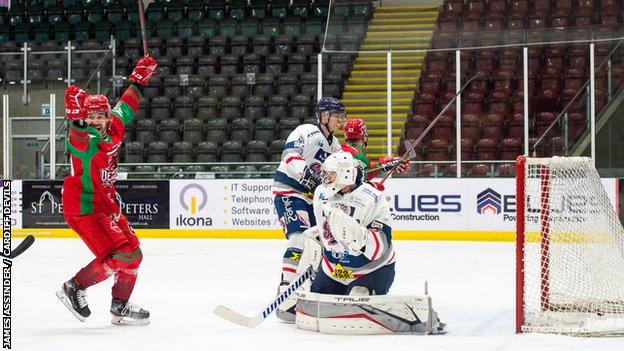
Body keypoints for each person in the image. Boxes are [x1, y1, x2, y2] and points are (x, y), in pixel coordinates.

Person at [56, 55, 157, 326]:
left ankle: (119, 307)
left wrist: (138, 80)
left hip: (107, 205)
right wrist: (76, 119)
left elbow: (127, 104)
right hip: (84, 208)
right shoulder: (84, 138)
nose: (97, 121)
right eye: (90, 117)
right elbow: (76, 139)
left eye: (100, 116)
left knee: (134, 255)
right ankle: (74, 287)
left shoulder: (115, 123)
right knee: (119, 255)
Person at [272, 97, 346, 320]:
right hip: (289, 190)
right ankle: (285, 290)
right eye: (336, 116)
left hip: (312, 199)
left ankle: (305, 287)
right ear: (323, 116)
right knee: (298, 237)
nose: (340, 121)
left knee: (317, 241)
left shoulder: (336, 147)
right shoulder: (306, 131)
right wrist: (308, 175)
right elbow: (290, 156)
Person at [305, 151, 396, 296]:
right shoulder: (321, 193)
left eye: (331, 174)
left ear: (345, 174)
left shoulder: (374, 198)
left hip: (371, 269)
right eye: (326, 174)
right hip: (334, 269)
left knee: (358, 295)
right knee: (316, 300)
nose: (325, 178)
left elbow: (380, 246)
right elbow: (324, 230)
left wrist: (356, 235)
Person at [341, 118, 410, 189]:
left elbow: (364, 173)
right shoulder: (358, 155)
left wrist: (386, 166)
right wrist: (371, 185)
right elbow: (356, 180)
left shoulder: (342, 149)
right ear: (363, 135)